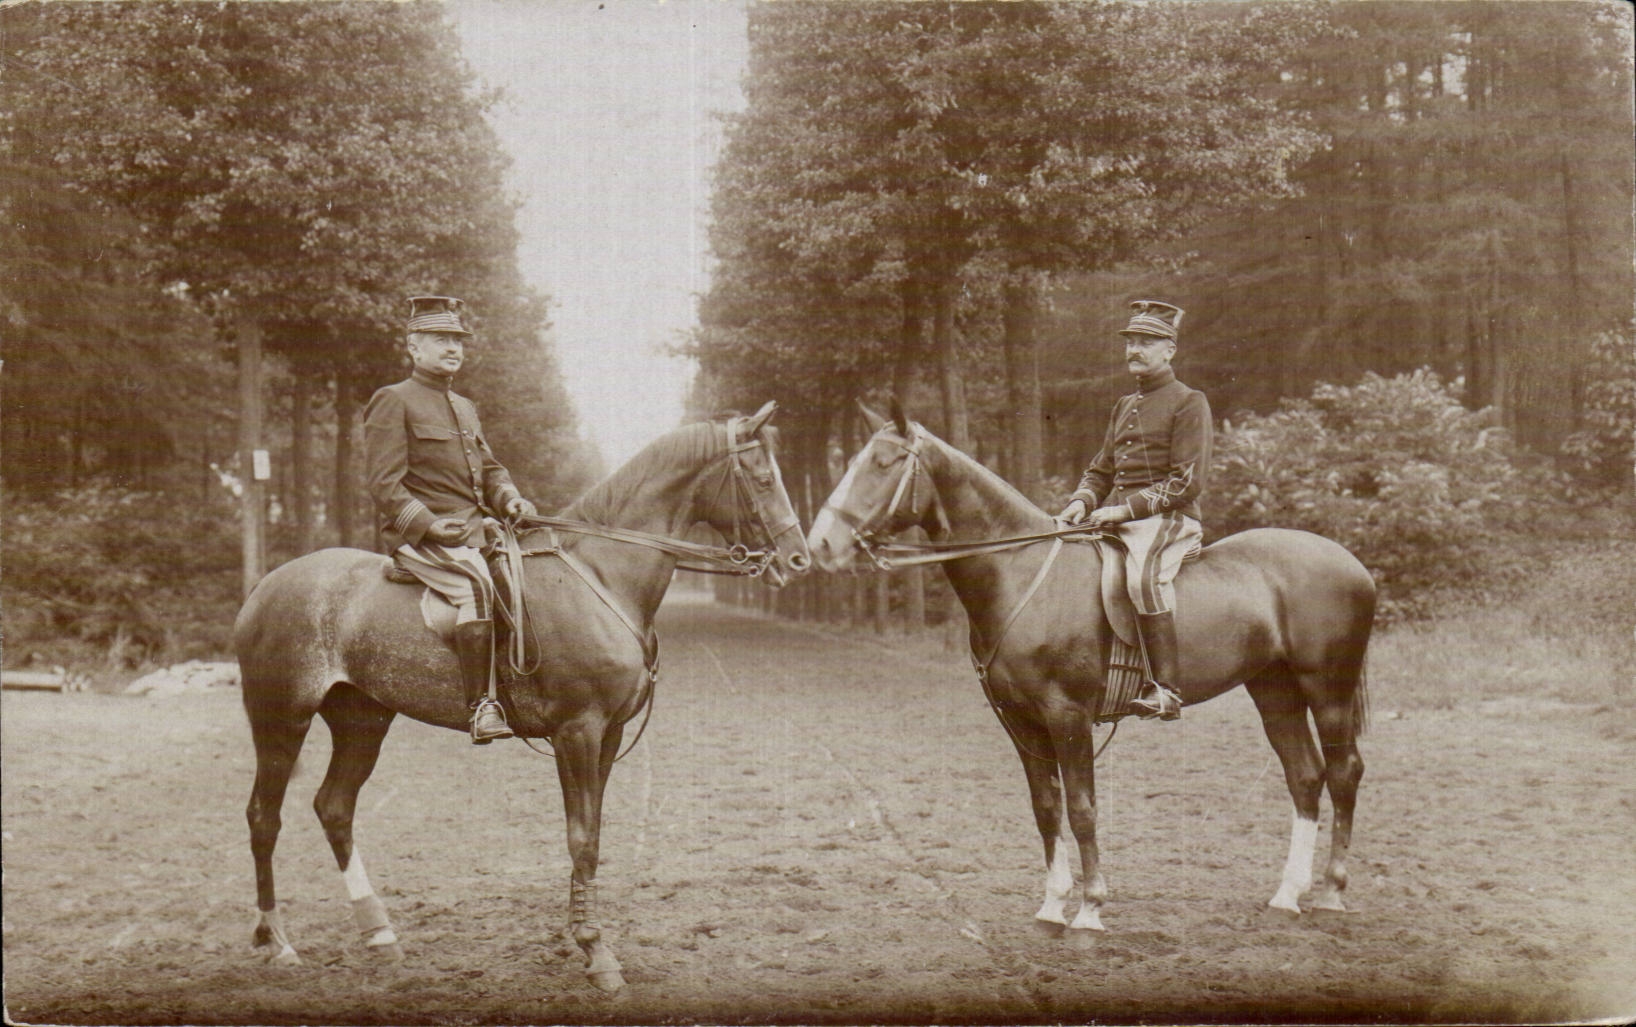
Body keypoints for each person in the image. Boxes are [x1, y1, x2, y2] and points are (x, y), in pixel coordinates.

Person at [364, 296, 537, 744]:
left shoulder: (464, 407)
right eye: (441, 339)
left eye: (458, 340)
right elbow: (384, 483)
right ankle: (481, 707)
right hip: (421, 536)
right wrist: (427, 525)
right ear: (414, 347)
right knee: (475, 588)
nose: (453, 348)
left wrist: (511, 499)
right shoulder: (393, 400)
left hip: (475, 530)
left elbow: (489, 468)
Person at [1057, 300, 1211, 721]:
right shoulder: (1125, 405)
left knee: (1145, 577)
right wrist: (1080, 503)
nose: (1134, 350)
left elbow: (1185, 482)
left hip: (1170, 520)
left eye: (1146, 342)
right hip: (1124, 520)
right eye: (1130, 343)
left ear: (1170, 350)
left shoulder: (1188, 401)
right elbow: (1100, 470)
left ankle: (1165, 688)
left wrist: (1123, 511)